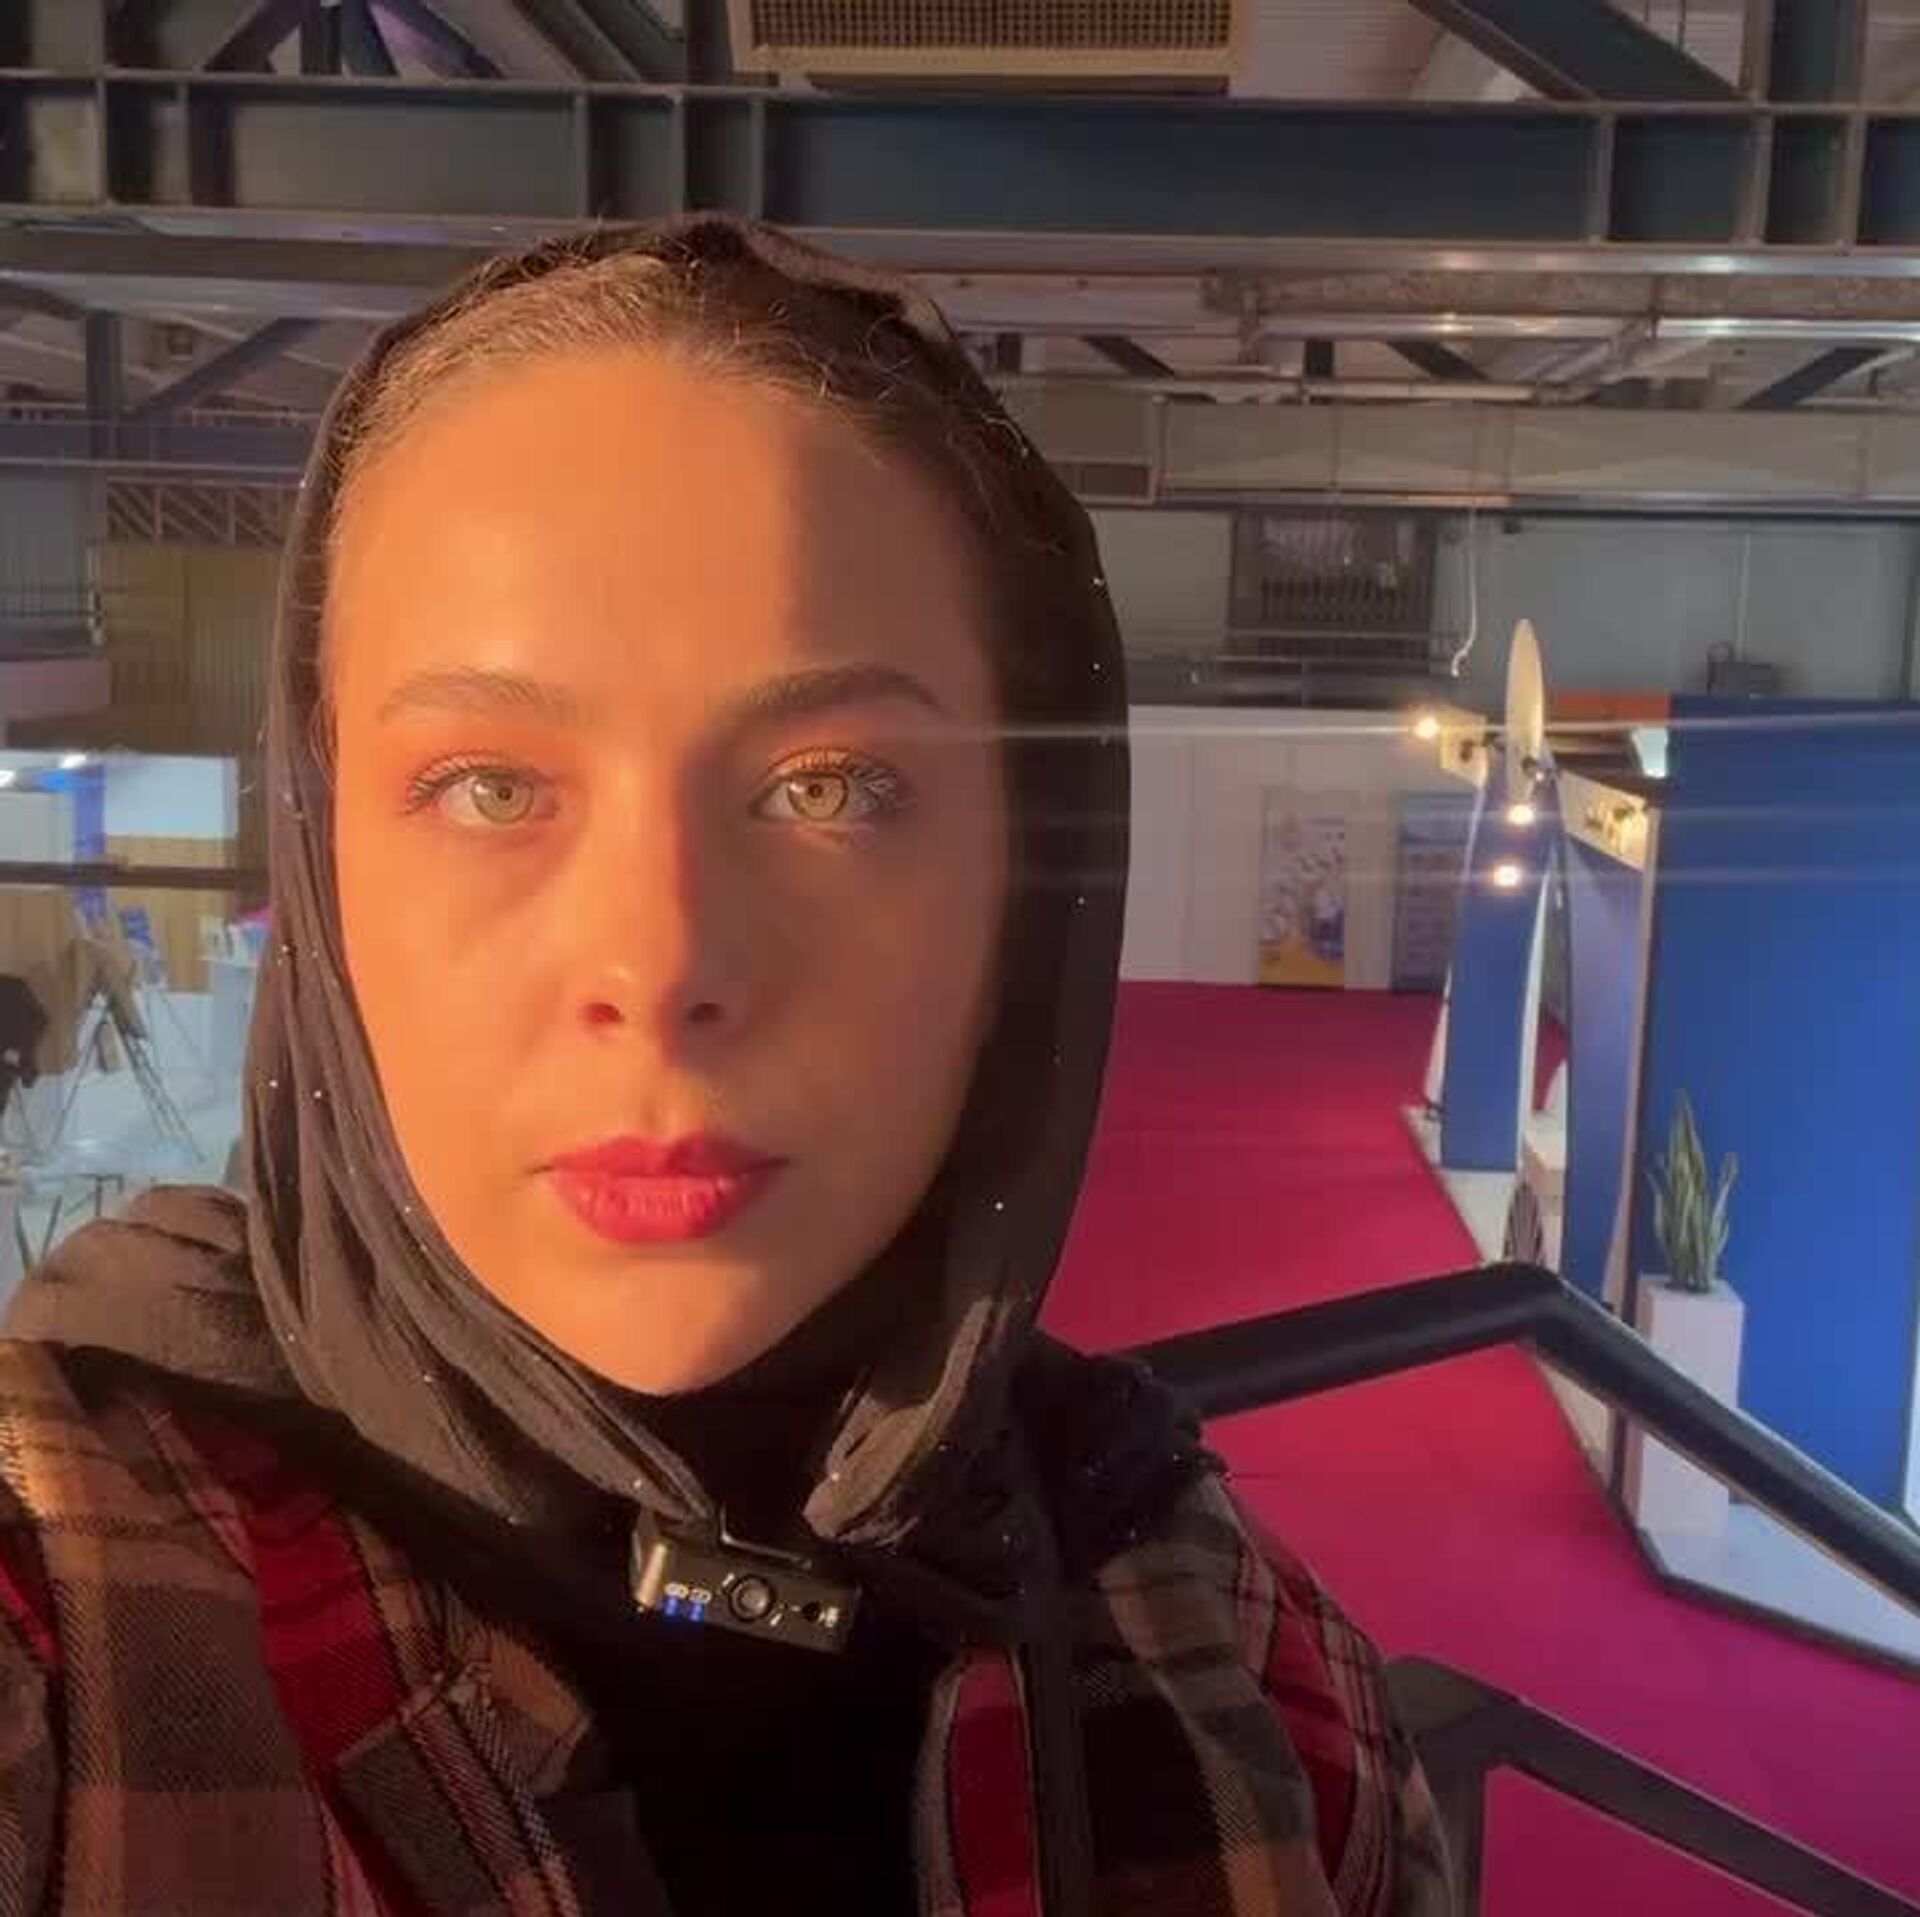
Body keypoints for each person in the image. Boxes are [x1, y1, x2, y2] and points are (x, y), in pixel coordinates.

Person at [0, 219, 1452, 1917]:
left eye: (830, 787)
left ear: (1023, 886)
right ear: (326, 870)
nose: (659, 962)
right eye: (488, 786)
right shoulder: (67, 1614)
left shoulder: (1250, 1683)